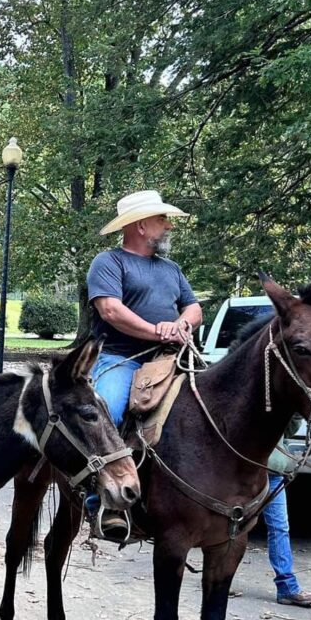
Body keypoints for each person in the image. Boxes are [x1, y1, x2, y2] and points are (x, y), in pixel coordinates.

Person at [84, 190, 203, 541]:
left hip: (172, 358)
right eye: (161, 219)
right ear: (139, 225)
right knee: (107, 412)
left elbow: (194, 308)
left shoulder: (171, 269)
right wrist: (156, 331)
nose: (168, 225)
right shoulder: (108, 262)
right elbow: (110, 310)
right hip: (121, 359)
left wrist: (181, 325)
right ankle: (101, 501)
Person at [263, 475, 311, 606]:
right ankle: (222, 580)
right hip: (245, 472)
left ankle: (287, 588)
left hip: (274, 476)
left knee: (280, 528)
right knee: (234, 524)